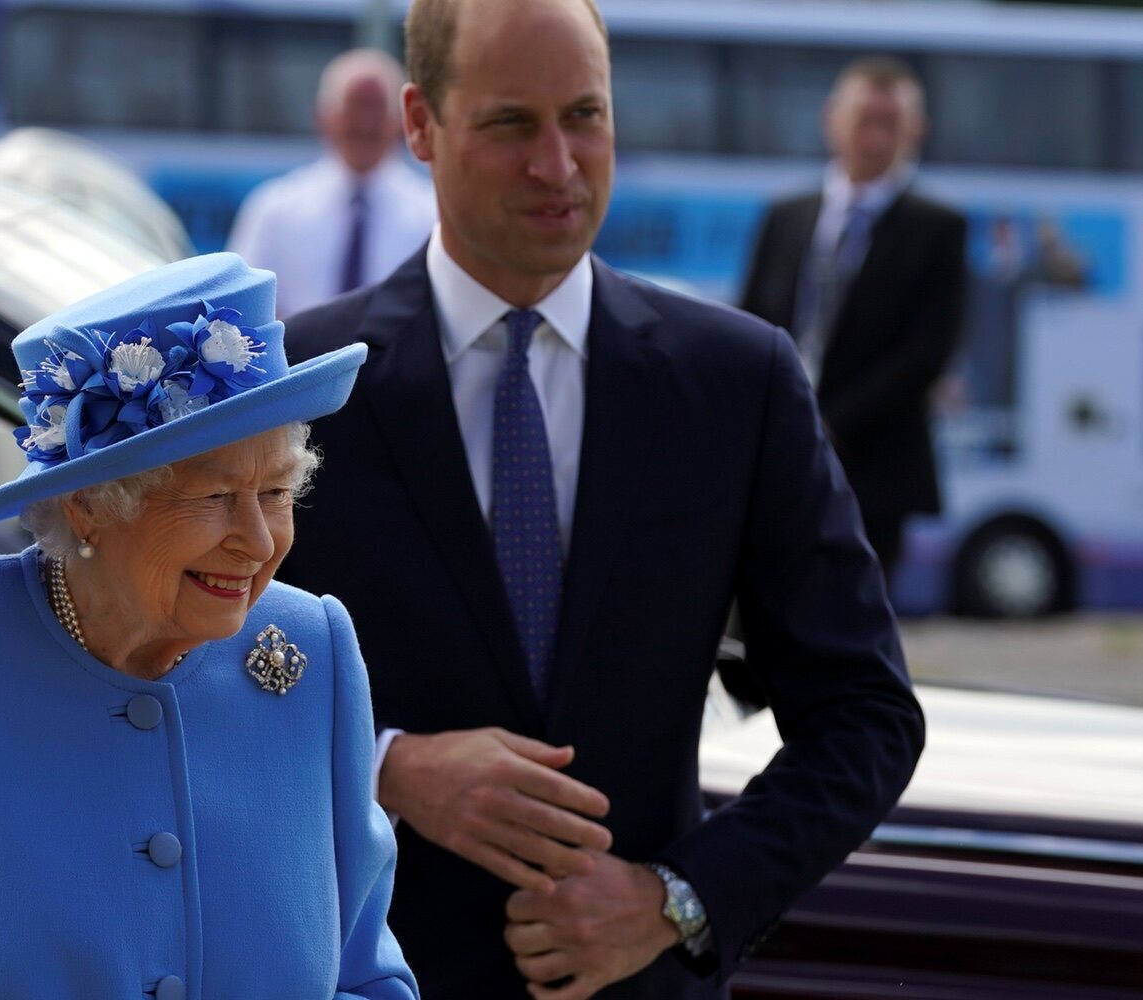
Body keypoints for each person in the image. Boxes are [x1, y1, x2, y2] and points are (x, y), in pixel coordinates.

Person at [275, 2, 925, 997]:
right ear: (418, 124)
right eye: (509, 124)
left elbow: (864, 715)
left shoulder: (733, 383)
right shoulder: (301, 386)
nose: (556, 163)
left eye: (583, 115)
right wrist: (385, 769)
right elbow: (196, 680)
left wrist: (674, 897)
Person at [0, 254, 417, 999]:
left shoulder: (310, 646)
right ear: (89, 505)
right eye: (214, 497)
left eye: (276, 492)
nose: (256, 540)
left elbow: (369, 978)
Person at [738, 56, 969, 575]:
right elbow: (749, 321)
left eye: (891, 124)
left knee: (854, 627)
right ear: (831, 120)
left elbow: (927, 352)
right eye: (865, 119)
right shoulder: (786, 215)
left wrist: (831, 420)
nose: (875, 138)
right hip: (779, 453)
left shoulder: (937, 228)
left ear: (916, 132)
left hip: (876, 467)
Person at [227, 48, 436, 317]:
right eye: (354, 107)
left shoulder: (432, 217)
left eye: (376, 108)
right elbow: (241, 309)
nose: (365, 123)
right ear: (323, 117)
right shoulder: (273, 210)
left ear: (401, 121)